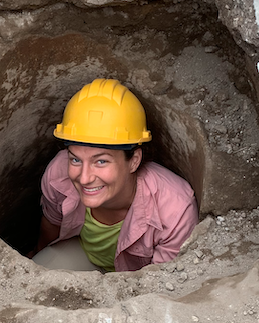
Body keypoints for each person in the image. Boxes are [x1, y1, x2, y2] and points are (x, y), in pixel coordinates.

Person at [32, 79, 199, 272]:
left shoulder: (175, 210)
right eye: (76, 160)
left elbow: (160, 286)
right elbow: (50, 226)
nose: (84, 178)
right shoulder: (59, 173)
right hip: (83, 254)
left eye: (101, 161)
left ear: (134, 160)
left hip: (138, 277)